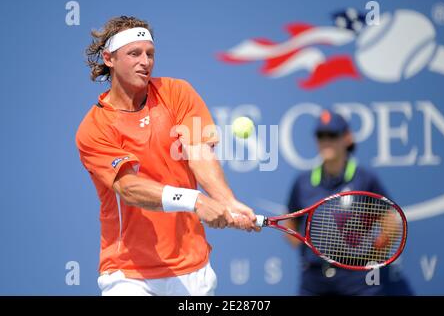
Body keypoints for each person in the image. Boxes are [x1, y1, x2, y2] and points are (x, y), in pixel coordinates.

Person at [75, 16, 258, 296]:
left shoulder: (178, 92)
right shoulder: (94, 127)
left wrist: (226, 200)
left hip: (193, 271)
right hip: (128, 276)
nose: (145, 61)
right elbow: (129, 188)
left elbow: (198, 153)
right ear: (109, 59)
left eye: (150, 54)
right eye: (134, 53)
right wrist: (195, 201)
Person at [285, 109, 413, 296]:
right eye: (321, 135)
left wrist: (373, 255)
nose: (326, 140)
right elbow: (290, 223)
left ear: (347, 138)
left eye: (332, 134)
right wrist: (311, 249)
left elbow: (391, 222)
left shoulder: (365, 179)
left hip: (357, 280)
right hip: (313, 280)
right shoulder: (302, 181)